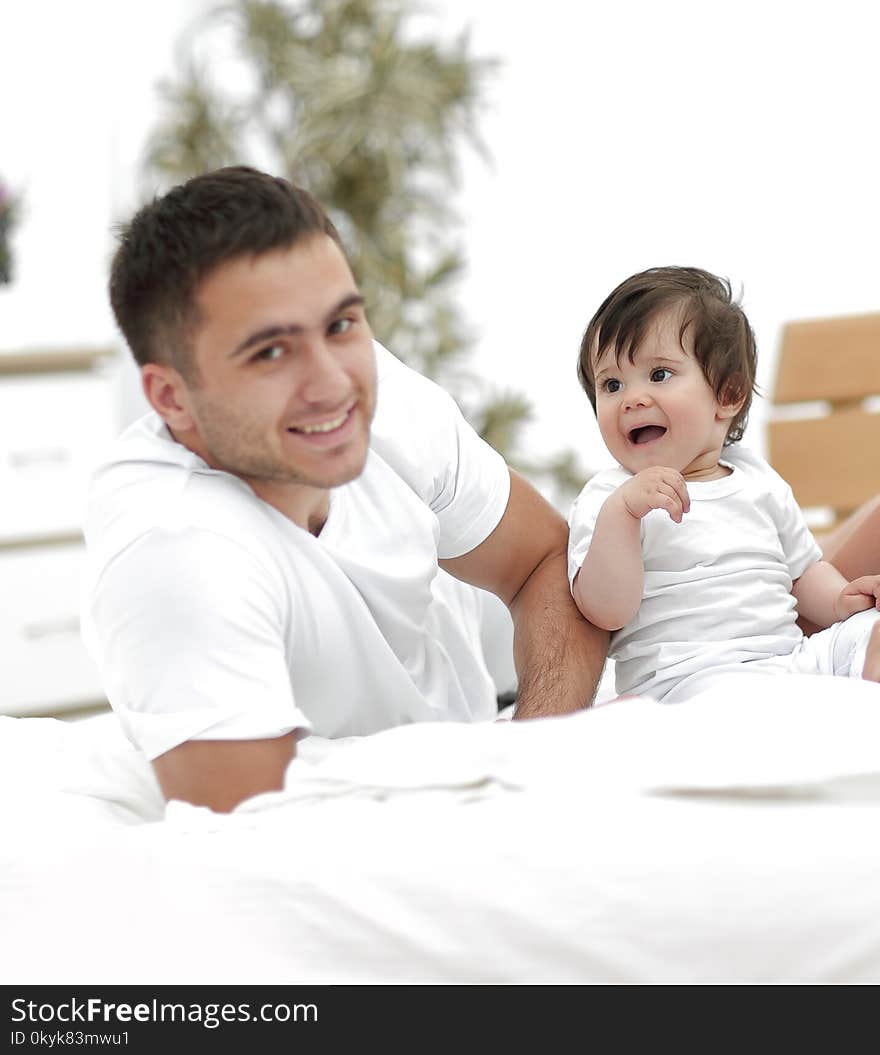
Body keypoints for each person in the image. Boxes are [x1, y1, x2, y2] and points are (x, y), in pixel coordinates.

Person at [82, 166, 607, 812]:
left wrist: (533, 756)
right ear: (172, 398)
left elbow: (546, 561)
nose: (332, 382)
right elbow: (265, 854)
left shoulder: (377, 397)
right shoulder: (175, 550)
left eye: (341, 324)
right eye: (270, 352)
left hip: (484, 760)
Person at [568, 266, 880, 703]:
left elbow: (803, 570)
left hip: (790, 662)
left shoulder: (757, 479)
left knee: (871, 634)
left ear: (728, 394)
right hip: (689, 679)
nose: (632, 399)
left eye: (658, 374)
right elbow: (604, 609)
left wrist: (840, 601)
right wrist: (623, 516)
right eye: (611, 384)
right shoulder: (610, 498)